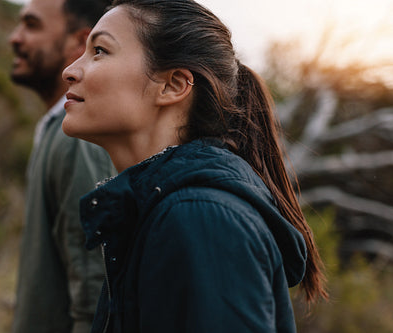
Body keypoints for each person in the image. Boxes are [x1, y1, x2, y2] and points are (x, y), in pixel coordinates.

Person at [61, 0, 328, 332]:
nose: (70, 70)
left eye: (100, 50)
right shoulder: (162, 210)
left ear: (173, 85)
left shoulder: (201, 219)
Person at [8, 0, 115, 332]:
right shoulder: (61, 130)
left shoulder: (78, 140)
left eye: (32, 25)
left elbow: (94, 291)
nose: (15, 37)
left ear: (79, 42)